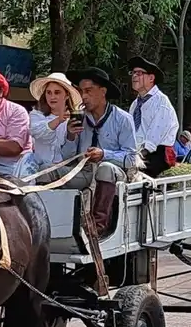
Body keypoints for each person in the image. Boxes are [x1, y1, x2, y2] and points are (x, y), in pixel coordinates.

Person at [59, 67, 137, 233]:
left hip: (114, 175)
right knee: (46, 170)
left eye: (88, 91)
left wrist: (104, 154)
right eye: (80, 91)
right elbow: (66, 157)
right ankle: (52, 223)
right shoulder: (79, 117)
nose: (83, 96)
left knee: (105, 168)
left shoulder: (122, 119)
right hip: (84, 170)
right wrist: (70, 136)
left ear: (103, 92)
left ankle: (97, 227)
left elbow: (131, 159)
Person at [127, 55, 180, 177]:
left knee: (134, 177)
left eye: (139, 73)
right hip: (138, 152)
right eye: (133, 73)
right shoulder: (135, 104)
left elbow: (154, 136)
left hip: (157, 153)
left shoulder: (161, 102)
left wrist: (139, 155)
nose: (134, 76)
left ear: (151, 78)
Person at [25, 71, 79, 171]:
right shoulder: (36, 115)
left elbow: (69, 156)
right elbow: (38, 133)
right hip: (37, 167)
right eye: (48, 92)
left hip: (62, 170)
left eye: (57, 92)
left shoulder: (74, 118)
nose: (52, 97)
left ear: (66, 95)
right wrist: (58, 120)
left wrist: (71, 136)